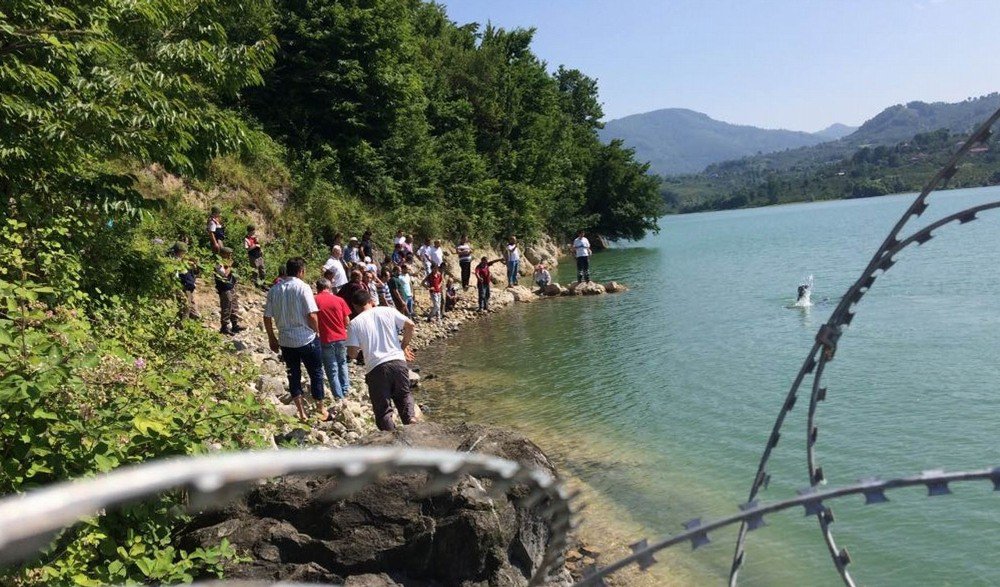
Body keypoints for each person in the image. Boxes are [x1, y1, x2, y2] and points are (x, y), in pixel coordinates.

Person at [264, 257, 329, 421]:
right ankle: (320, 408)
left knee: (293, 375)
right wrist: (317, 332)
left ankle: (301, 413)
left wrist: (272, 338)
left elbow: (267, 317)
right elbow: (312, 314)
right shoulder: (303, 287)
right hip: (306, 337)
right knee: (315, 372)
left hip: (285, 340)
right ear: (301, 271)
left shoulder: (274, 290)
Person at [346, 289, 416, 431]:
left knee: (383, 409)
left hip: (376, 368)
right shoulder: (387, 310)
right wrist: (403, 346)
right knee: (403, 395)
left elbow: (352, 354)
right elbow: (410, 325)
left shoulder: (354, 323)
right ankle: (411, 420)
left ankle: (392, 440)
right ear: (371, 301)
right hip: (398, 361)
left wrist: (358, 348)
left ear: (355, 306)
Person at [315, 278, 352, 401]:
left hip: (326, 338)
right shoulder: (339, 299)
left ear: (317, 288)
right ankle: (345, 389)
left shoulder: (314, 300)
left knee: (332, 368)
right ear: (329, 288)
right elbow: (347, 321)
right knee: (342, 363)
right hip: (341, 336)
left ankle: (338, 396)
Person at [214, 247, 244, 335]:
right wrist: (229, 266)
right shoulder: (218, 264)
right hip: (224, 288)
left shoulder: (227, 263)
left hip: (231, 287)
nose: (230, 256)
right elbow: (224, 274)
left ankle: (235, 324)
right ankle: (224, 327)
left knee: (234, 306)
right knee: (226, 307)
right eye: (228, 254)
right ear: (223, 254)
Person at [171, 242, 200, 320]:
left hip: (188, 285)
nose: (184, 253)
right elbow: (175, 275)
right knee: (185, 305)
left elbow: (195, 273)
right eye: (183, 252)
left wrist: (194, 266)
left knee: (188, 304)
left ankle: (188, 320)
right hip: (181, 285)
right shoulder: (174, 261)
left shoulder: (185, 261)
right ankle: (183, 324)